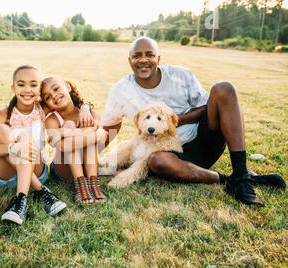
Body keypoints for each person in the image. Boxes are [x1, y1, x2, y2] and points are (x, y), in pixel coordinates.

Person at [102, 37, 285, 207]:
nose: (143, 60)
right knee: (158, 161)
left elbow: (207, 107)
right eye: (137, 56)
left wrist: (180, 120)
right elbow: (111, 127)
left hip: (202, 141)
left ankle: (242, 176)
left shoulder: (181, 76)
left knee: (224, 88)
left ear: (158, 58)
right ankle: (232, 180)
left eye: (149, 54)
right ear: (129, 61)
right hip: (169, 155)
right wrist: (89, 158)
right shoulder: (120, 90)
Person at [0, 66, 94, 225]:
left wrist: (85, 107)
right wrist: (12, 148)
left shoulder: (42, 109)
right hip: (6, 175)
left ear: (39, 91)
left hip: (37, 169)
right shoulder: (2, 114)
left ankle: (20, 201)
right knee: (3, 131)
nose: (27, 90)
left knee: (25, 137)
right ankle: (42, 192)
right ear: (13, 88)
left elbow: (69, 100)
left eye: (33, 85)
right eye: (21, 85)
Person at [41, 76, 108, 206]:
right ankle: (80, 185)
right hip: (63, 169)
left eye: (56, 88)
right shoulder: (52, 120)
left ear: (67, 86)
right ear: (47, 104)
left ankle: (93, 185)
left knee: (81, 129)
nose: (54, 96)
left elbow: (102, 138)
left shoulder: (91, 114)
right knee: (70, 125)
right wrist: (93, 133)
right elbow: (64, 147)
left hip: (90, 168)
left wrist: (85, 110)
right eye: (47, 97)